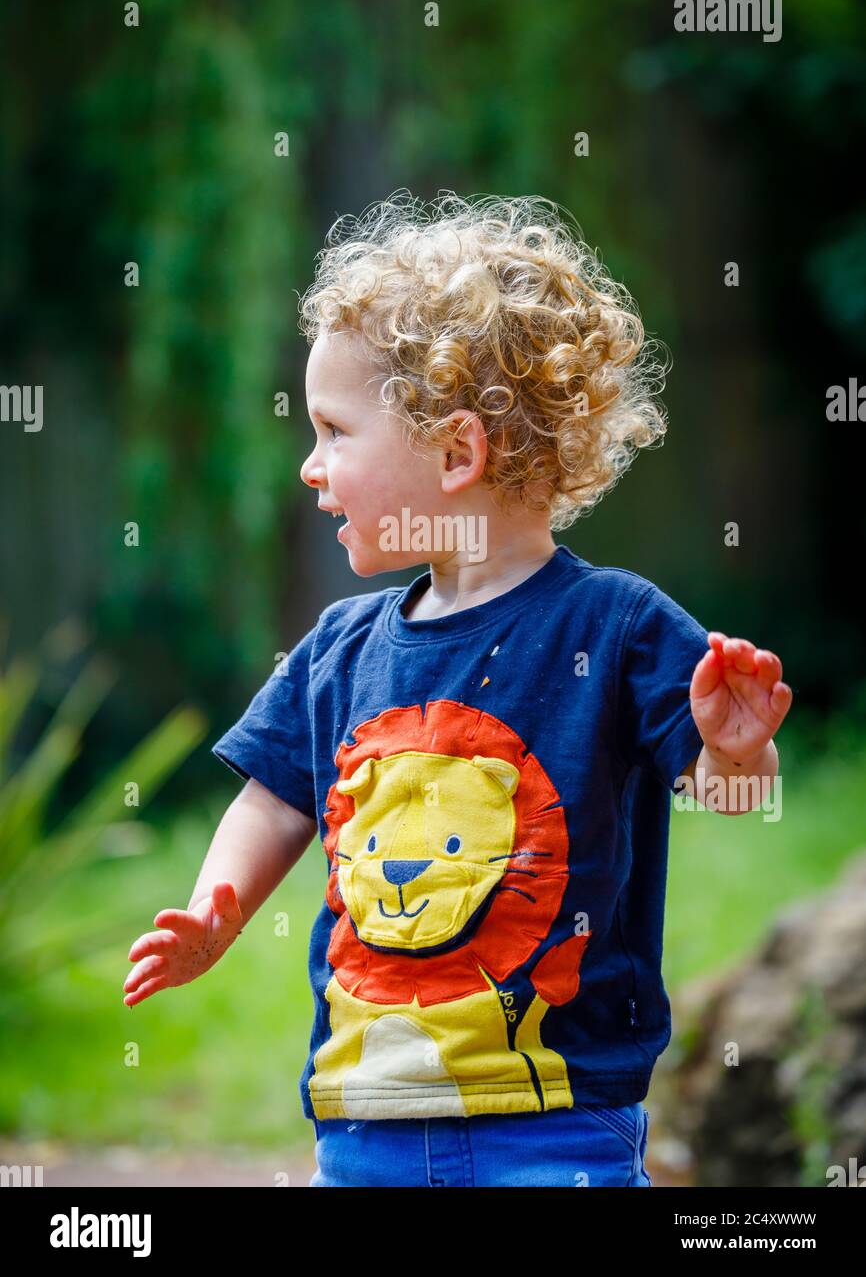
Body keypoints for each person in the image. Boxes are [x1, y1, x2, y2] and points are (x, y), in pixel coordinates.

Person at [123, 192, 792, 1187]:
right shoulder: (337, 648)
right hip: (363, 1120)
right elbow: (270, 799)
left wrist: (736, 750)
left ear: (453, 452)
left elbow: (729, 792)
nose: (310, 467)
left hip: (556, 1124)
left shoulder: (615, 626)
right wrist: (214, 911)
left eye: (332, 430)